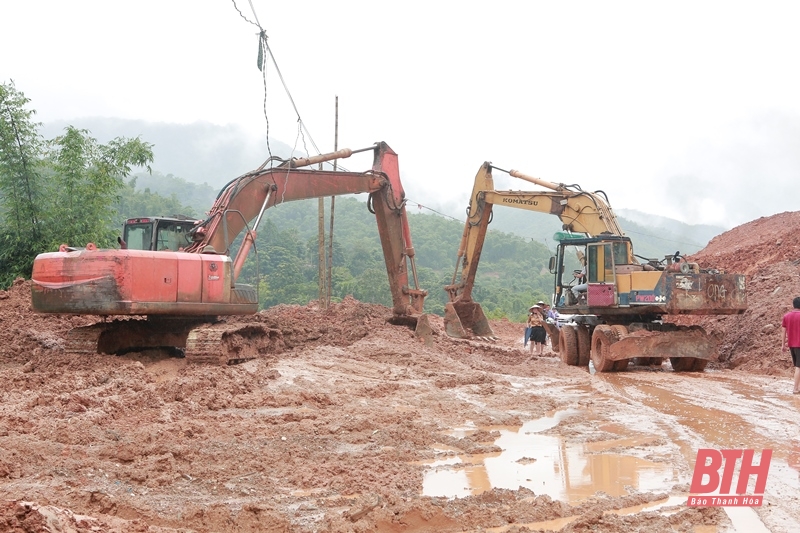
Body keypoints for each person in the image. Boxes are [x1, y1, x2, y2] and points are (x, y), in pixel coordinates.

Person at [781, 296, 800, 394]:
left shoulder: (786, 316)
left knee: (798, 366)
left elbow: (783, 332)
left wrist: (783, 345)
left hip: (792, 344)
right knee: (798, 367)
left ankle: (797, 387)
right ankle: (796, 388)